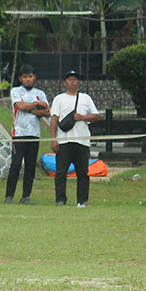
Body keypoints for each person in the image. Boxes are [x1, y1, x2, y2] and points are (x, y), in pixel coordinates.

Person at [50, 70, 99, 208]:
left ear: (78, 82)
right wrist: (53, 139)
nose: (72, 82)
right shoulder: (59, 99)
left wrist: (82, 117)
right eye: (69, 79)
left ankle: (83, 200)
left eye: (75, 79)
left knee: (83, 172)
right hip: (64, 141)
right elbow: (54, 119)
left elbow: (95, 116)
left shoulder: (86, 98)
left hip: (82, 141)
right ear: (65, 83)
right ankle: (60, 199)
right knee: (61, 172)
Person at [5, 64, 49, 205]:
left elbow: (46, 111)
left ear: (34, 77)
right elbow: (20, 106)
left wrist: (30, 109)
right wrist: (36, 105)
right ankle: (9, 196)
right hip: (19, 133)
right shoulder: (16, 91)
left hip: (34, 134)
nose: (28, 80)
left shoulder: (40, 93)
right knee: (16, 165)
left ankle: (26, 197)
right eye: (25, 77)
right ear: (20, 79)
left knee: (30, 166)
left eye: (30, 76)